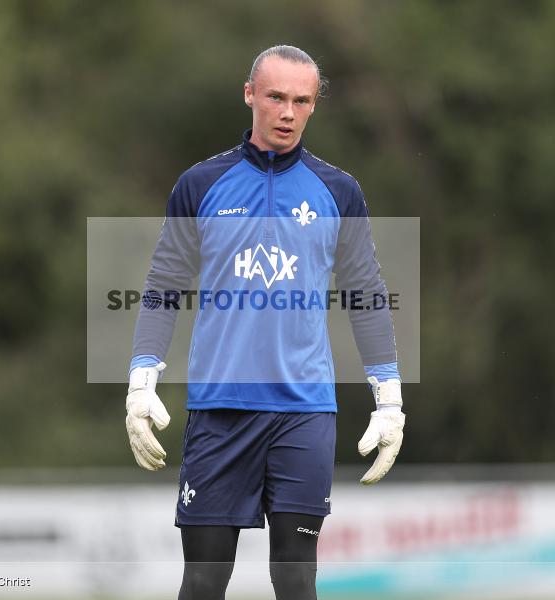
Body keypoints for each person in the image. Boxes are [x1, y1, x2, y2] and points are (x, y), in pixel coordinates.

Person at [124, 45, 406, 600]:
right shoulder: (201, 185)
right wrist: (141, 380)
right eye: (276, 96)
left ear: (312, 108)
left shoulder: (338, 192)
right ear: (250, 94)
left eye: (301, 101)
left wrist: (389, 397)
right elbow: (163, 286)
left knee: (296, 581)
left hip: (303, 413)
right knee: (202, 583)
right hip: (219, 410)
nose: (287, 112)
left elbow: (366, 294)